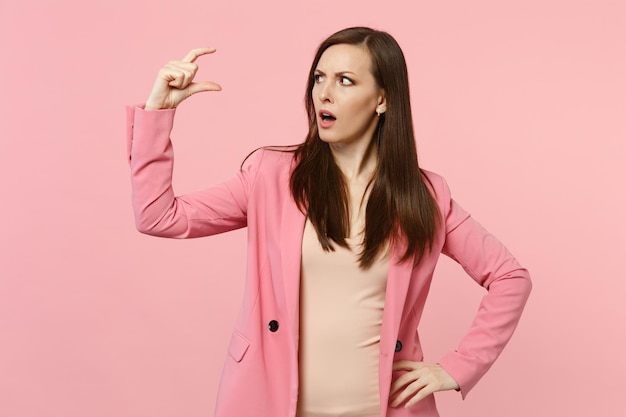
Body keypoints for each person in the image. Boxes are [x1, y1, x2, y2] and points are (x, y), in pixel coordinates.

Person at [127, 27, 531, 417]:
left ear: (382, 100)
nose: (325, 92)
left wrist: (457, 367)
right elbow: (159, 216)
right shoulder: (272, 176)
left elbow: (510, 277)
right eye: (320, 77)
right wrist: (159, 111)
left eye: (345, 80)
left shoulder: (425, 195)